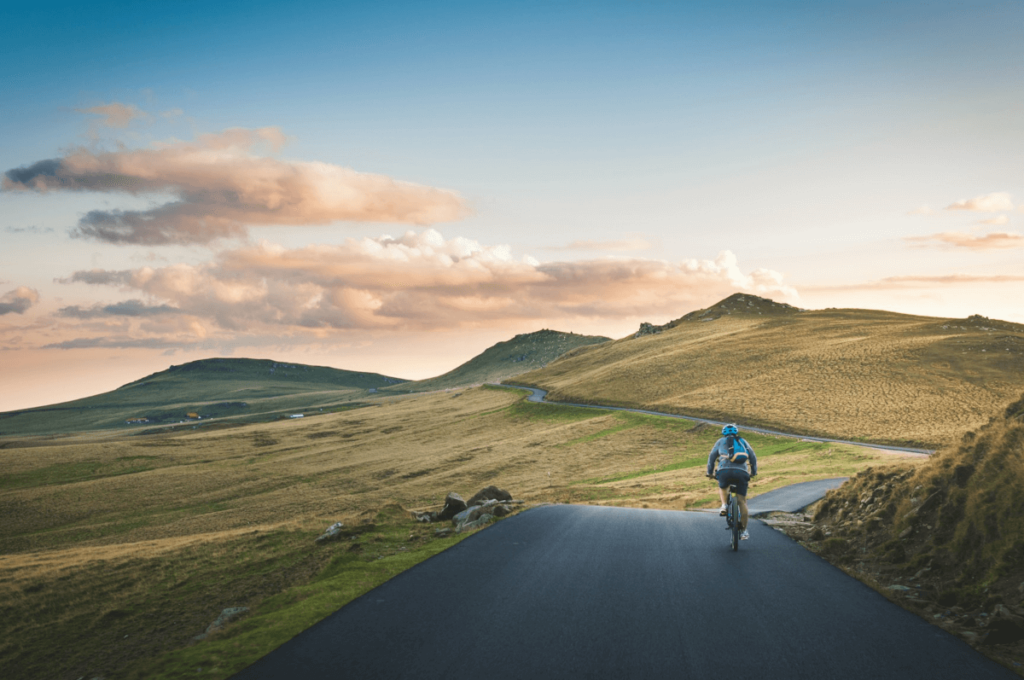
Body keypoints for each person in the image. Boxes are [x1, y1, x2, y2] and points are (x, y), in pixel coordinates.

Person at [706, 423, 757, 540]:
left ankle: (724, 505)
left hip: (724, 471)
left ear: (723, 433)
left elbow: (712, 457)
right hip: (741, 472)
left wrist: (710, 472)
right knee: (742, 502)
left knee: (723, 486)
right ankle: (743, 531)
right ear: (736, 432)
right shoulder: (743, 441)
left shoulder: (720, 442)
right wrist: (753, 472)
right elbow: (753, 457)